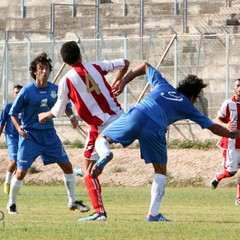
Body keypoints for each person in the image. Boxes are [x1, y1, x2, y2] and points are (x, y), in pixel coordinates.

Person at [90, 62, 240, 222]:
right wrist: (232, 135)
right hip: (155, 127)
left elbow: (144, 66)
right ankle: (153, 214)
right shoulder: (187, 105)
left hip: (137, 115)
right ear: (193, 97)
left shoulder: (163, 85)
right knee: (160, 170)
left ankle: (105, 153)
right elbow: (212, 126)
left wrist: (123, 81)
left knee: (103, 138)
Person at [38, 41, 130, 221]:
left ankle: (100, 213)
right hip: (120, 117)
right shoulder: (96, 66)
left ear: (64, 61)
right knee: (88, 168)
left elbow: (58, 109)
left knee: (88, 169)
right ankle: (94, 165)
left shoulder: (66, 80)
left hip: (98, 125)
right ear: (80, 55)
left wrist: (45, 115)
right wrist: (118, 80)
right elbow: (125, 63)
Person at [7, 52, 90, 214]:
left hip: (49, 135)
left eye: (46, 68)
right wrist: (18, 128)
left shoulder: (56, 89)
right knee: (22, 171)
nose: (44, 71)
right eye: (40, 68)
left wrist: (72, 116)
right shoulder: (27, 91)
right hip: (30, 136)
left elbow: (65, 105)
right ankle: (11, 203)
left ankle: (72, 202)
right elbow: (13, 113)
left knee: (67, 165)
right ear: (35, 72)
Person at [211, 78, 240, 205]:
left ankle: (238, 198)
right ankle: (218, 176)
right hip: (231, 144)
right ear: (234, 88)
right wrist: (226, 126)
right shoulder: (228, 104)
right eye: (238, 86)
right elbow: (216, 120)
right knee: (231, 172)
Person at [0, 85, 23, 194]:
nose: (18, 94)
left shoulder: (27, 107)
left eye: (20, 92)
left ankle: (14, 185)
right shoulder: (8, 107)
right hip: (12, 137)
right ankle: (7, 182)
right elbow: (1, 124)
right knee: (13, 161)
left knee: (21, 164)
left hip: (23, 138)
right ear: (13, 94)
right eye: (16, 92)